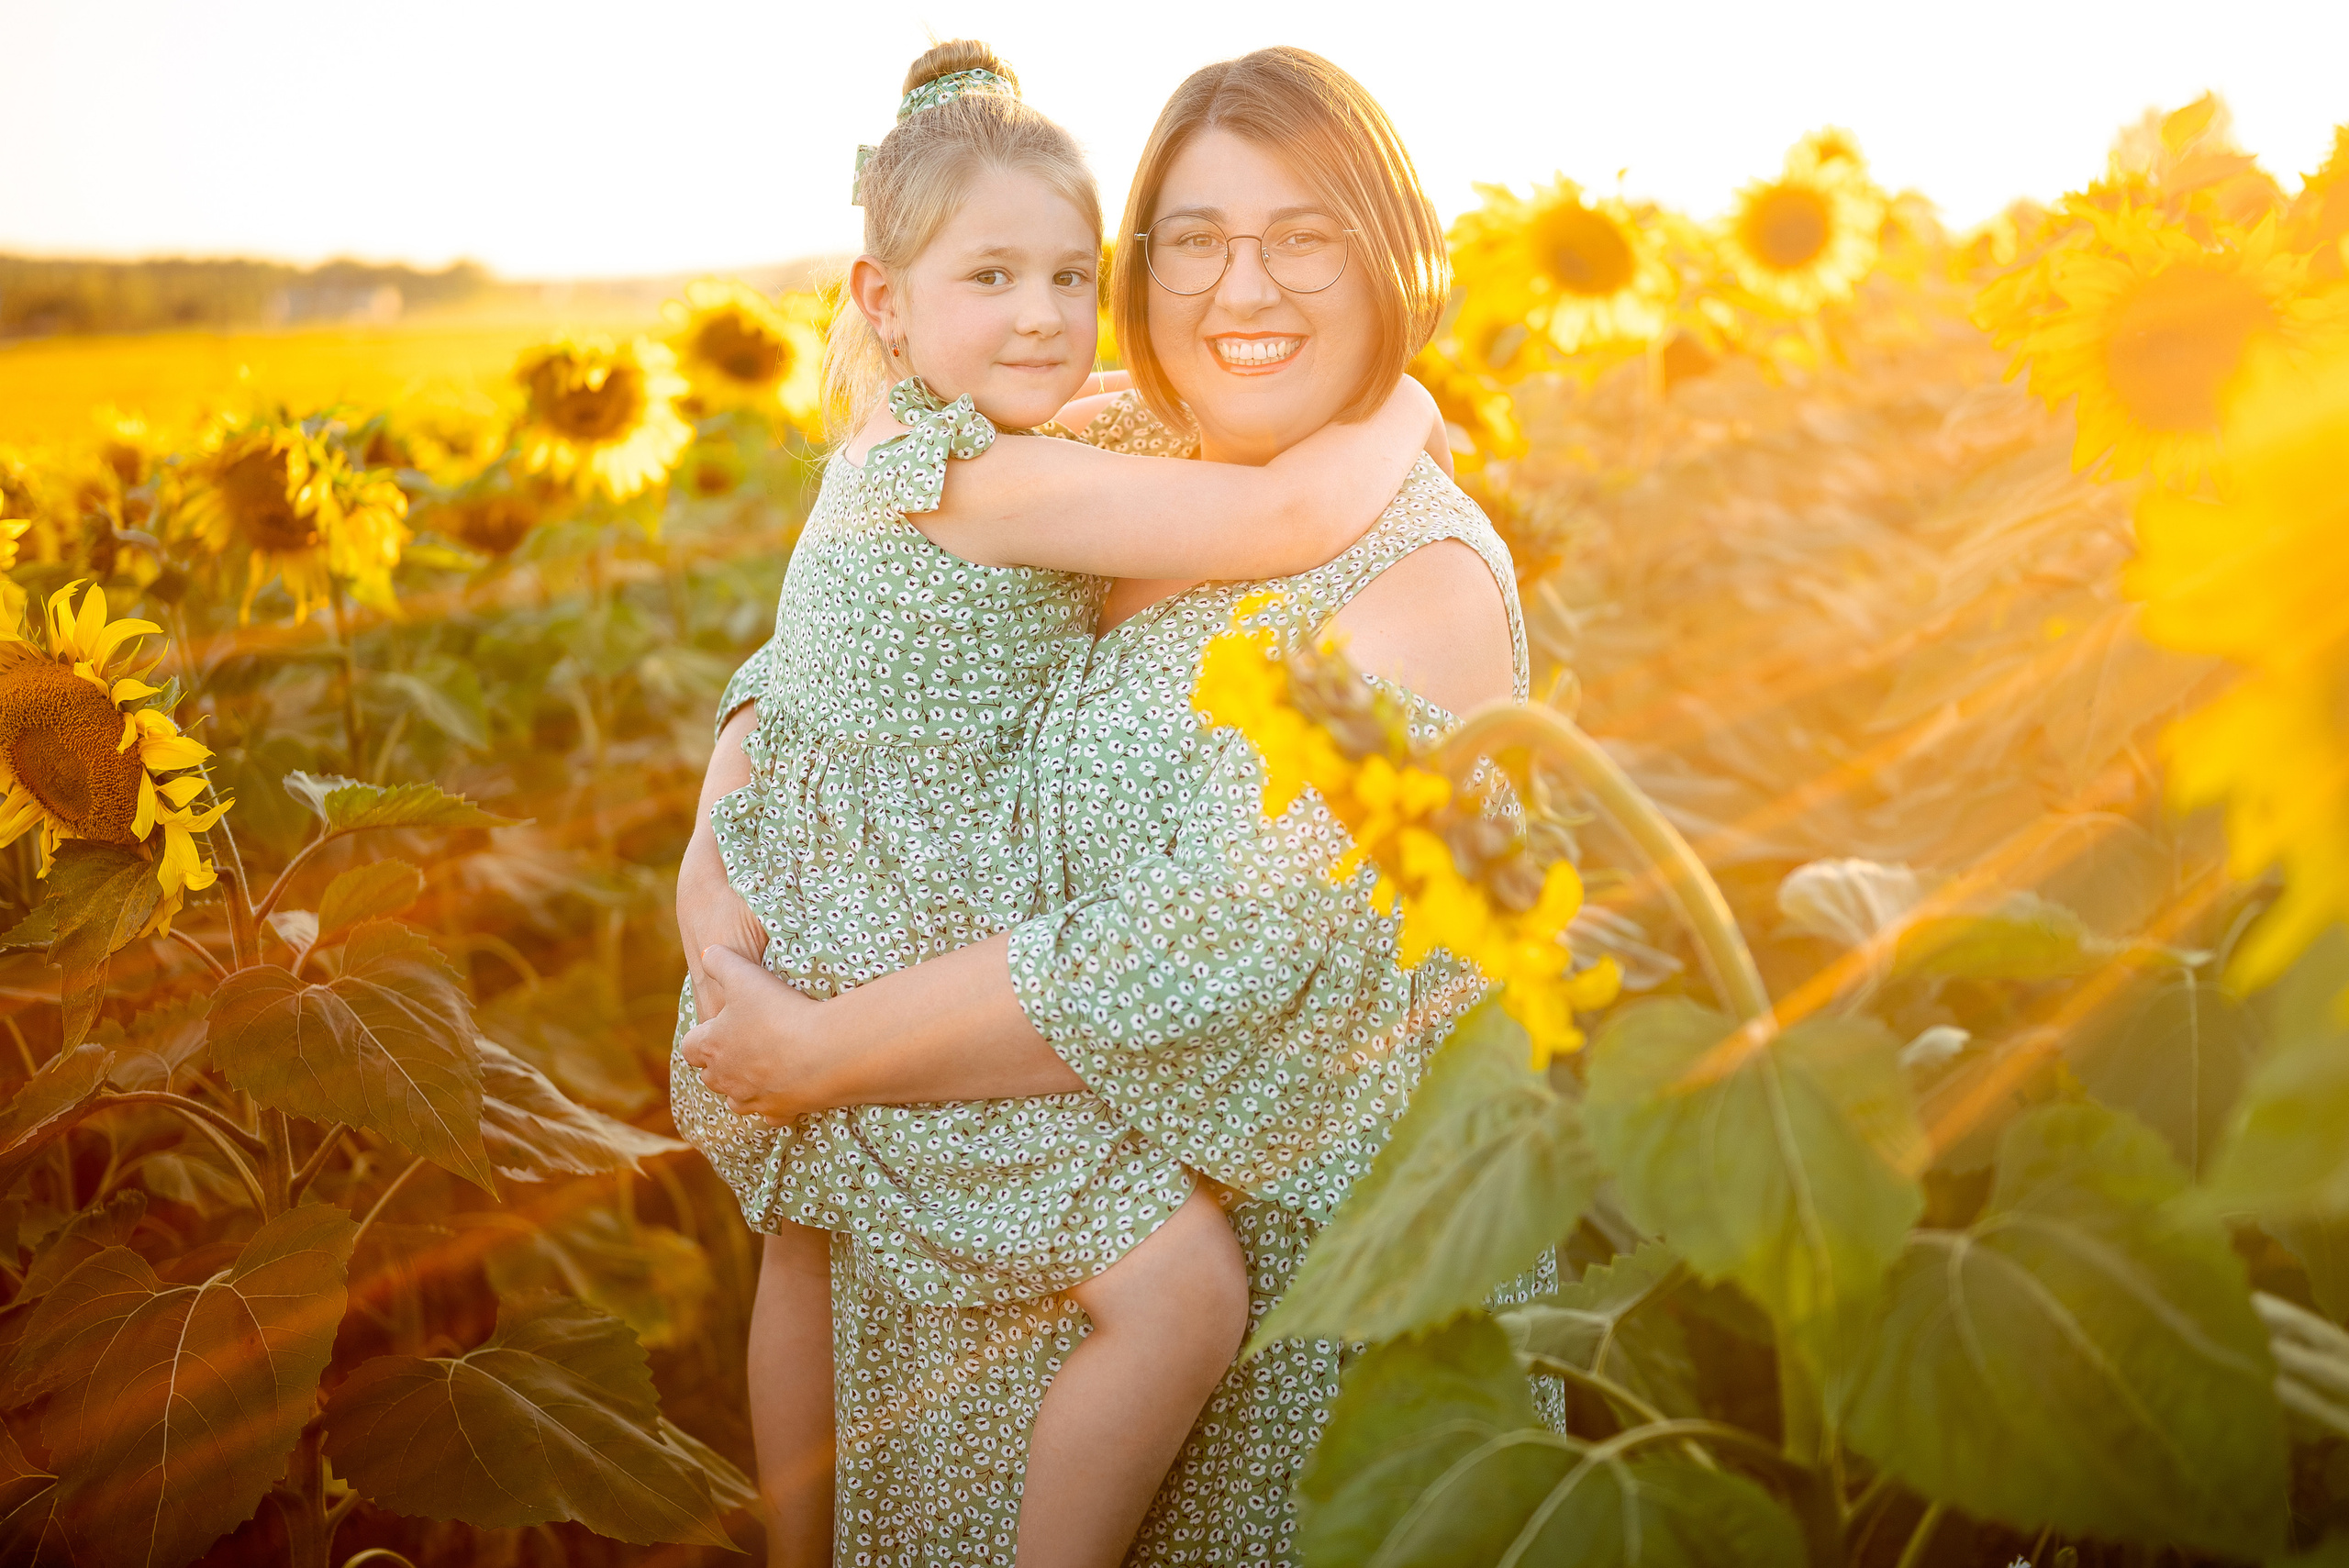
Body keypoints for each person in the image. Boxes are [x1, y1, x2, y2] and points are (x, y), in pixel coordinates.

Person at [667, 40, 1451, 1568]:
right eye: (992, 280)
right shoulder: (992, 479)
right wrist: (1404, 414)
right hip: (906, 924)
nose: (1039, 318)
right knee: (1178, 1293)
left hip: (834, 905)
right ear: (883, 301)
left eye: (1066, 279)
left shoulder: (919, 448)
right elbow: (1290, 512)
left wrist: (728, 821)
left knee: (805, 1230)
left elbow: (803, 655)